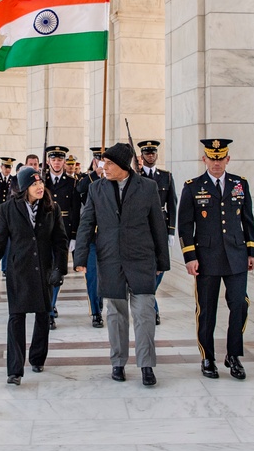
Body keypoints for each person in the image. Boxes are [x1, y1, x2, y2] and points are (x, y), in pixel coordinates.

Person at [74, 142, 169, 386]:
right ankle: (118, 362)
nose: (103, 167)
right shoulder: (96, 189)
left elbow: (158, 226)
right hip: (110, 259)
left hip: (141, 259)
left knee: (144, 313)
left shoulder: (148, 188)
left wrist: (162, 261)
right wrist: (80, 258)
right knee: (115, 314)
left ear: (124, 166)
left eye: (109, 163)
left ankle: (146, 365)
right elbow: (86, 224)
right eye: (103, 162)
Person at [177, 138, 254, 381]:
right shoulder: (192, 186)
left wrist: (251, 251)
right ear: (204, 159)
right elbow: (185, 225)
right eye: (212, 158)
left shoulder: (239, 184)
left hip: (236, 256)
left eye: (220, 158)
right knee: (207, 310)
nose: (216, 162)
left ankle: (233, 356)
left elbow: (248, 220)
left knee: (240, 305)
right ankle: (207, 357)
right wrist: (190, 257)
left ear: (227, 159)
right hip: (207, 258)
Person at [0, 167, 68, 385]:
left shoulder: (52, 208)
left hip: (43, 270)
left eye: (40, 183)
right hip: (19, 271)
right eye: (33, 184)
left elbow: (60, 241)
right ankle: (14, 370)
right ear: (23, 189)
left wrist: (60, 268)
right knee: (16, 318)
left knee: (42, 316)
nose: (40, 187)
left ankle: (37, 358)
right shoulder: (8, 209)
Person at [138, 140, 177, 325]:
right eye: (147, 153)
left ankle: (149, 301)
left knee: (161, 267)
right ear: (141, 156)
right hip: (143, 227)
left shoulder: (166, 177)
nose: (150, 155)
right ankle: (152, 308)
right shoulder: (135, 176)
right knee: (146, 268)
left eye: (153, 153)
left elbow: (173, 204)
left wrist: (171, 231)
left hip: (161, 226)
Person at [44, 145, 79, 329]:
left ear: (64, 162)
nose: (57, 163)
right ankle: (48, 306)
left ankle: (50, 309)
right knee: (46, 271)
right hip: (44, 233)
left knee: (58, 272)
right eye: (54, 159)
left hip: (63, 234)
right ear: (49, 161)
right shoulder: (41, 181)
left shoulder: (72, 182)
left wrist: (73, 236)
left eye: (60, 160)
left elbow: (75, 212)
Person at [75, 146, 105, 327]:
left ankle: (100, 303)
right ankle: (96, 311)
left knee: (106, 277)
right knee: (93, 276)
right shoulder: (86, 179)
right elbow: (80, 189)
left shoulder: (113, 179)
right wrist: (95, 173)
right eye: (98, 160)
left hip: (109, 237)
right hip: (93, 238)